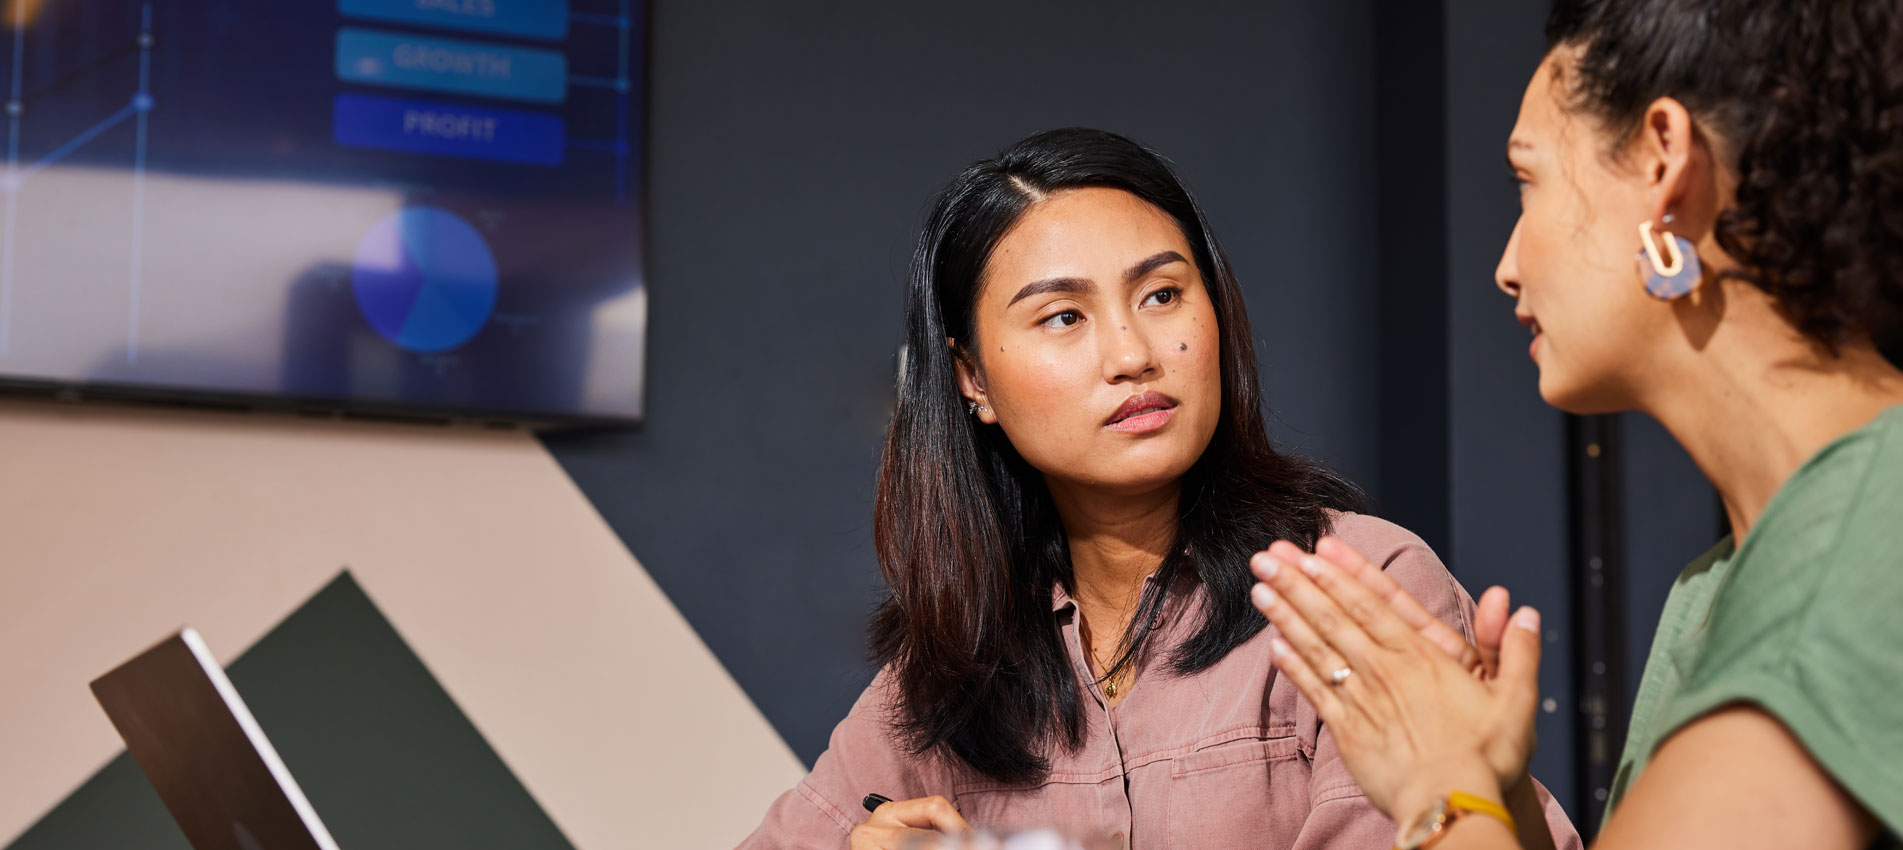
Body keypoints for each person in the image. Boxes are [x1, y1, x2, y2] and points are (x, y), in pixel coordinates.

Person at [738, 128, 1581, 849]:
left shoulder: (1358, 586)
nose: (1132, 352)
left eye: (1163, 294)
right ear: (972, 379)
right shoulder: (946, 665)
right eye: (1063, 317)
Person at [1249, 1, 1903, 849]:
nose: (1505, 265)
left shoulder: (1859, 548)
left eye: (1529, 180)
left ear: (1664, 162)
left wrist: (1443, 794)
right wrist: (1498, 795)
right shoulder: (1723, 585)